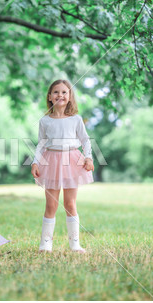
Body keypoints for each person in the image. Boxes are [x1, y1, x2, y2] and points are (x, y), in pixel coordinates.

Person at [31, 79, 94, 254]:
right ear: (50, 97)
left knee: (70, 203)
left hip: (72, 161)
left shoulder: (75, 119)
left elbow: (85, 140)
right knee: (51, 205)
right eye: (56, 92)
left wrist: (88, 157)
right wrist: (35, 162)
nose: (60, 95)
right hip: (51, 161)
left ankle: (75, 244)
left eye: (64, 92)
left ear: (70, 97)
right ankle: (46, 244)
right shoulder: (45, 121)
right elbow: (41, 144)